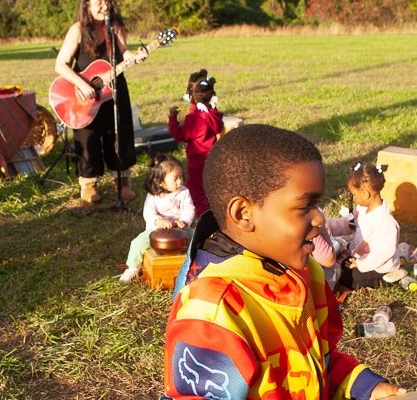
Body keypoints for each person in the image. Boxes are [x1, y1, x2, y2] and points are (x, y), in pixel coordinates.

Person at [163, 124, 405, 399]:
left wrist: (364, 388)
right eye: (305, 207)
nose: (319, 219)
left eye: (318, 205)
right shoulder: (213, 312)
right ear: (243, 213)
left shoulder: (307, 273)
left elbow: (319, 363)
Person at [54, 0, 147, 203]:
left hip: (114, 88)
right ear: (86, 5)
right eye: (99, 1)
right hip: (84, 93)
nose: (104, 5)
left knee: (118, 132)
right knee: (89, 137)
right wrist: (82, 84)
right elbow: (60, 65)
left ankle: (122, 181)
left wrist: (134, 56)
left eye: (108, 1)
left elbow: (124, 51)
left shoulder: (115, 26)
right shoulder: (77, 30)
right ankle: (89, 184)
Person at [119, 153, 195, 283]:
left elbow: (189, 208)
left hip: (180, 231)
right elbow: (148, 213)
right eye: (175, 178)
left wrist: (184, 221)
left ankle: (197, 264)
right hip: (156, 231)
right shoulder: (153, 196)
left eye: (181, 177)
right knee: (138, 243)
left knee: (196, 237)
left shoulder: (184, 192)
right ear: (160, 182)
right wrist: (158, 221)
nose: (180, 181)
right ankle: (132, 268)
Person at [326, 161, 401, 290]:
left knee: (346, 279)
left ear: (366, 194)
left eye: (354, 195)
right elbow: (347, 224)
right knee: (339, 266)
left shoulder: (385, 222)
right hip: (362, 258)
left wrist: (361, 264)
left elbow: (383, 253)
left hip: (378, 267)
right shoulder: (361, 209)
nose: (353, 198)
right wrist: (328, 226)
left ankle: (387, 280)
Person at [168, 69, 224, 218]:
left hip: (197, 162)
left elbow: (180, 135)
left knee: (196, 192)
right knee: (211, 189)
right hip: (213, 158)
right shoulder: (213, 114)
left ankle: (203, 218)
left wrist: (172, 118)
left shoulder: (194, 119)